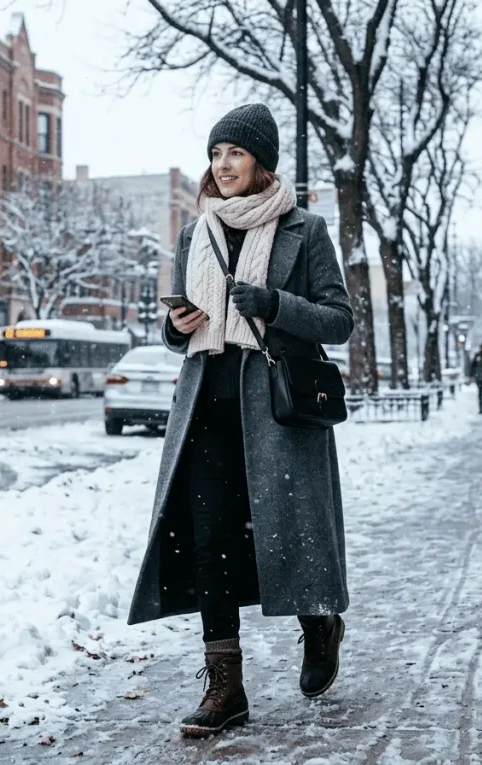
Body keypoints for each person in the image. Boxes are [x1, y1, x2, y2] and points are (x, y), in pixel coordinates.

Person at [127, 104, 355, 738]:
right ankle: (225, 685)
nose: (221, 166)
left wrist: (277, 304)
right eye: (215, 154)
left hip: (278, 407)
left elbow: (339, 320)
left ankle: (319, 623)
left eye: (234, 154)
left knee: (290, 532)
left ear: (262, 162)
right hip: (205, 406)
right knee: (209, 540)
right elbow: (180, 328)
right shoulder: (193, 232)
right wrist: (174, 329)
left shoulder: (304, 230)